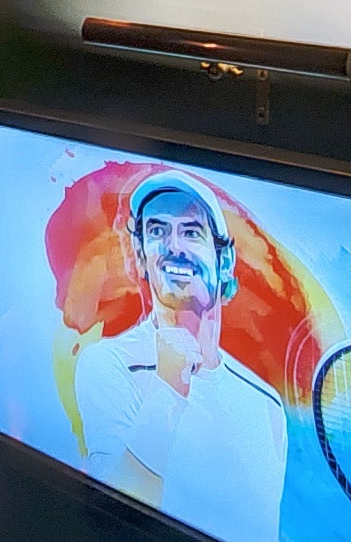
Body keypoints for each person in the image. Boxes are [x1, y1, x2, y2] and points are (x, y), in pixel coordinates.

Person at [74, 169, 287, 542]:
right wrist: (169, 387)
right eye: (157, 231)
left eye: (191, 232)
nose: (174, 246)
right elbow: (114, 518)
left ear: (224, 262)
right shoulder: (107, 365)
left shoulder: (265, 405)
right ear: (140, 258)